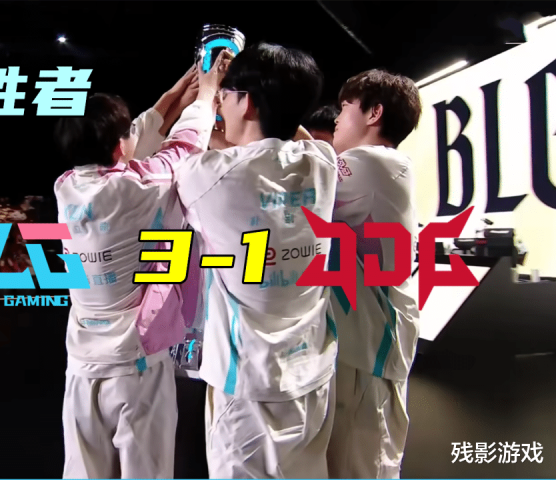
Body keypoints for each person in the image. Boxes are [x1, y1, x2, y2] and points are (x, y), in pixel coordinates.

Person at [54, 53, 231, 480]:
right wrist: (207, 93)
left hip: (82, 365)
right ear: (119, 146)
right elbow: (184, 147)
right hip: (134, 366)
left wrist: (180, 89)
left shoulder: (65, 186)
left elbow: (139, 135)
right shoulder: (139, 186)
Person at [173, 42, 340, 478]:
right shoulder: (322, 161)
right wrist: (269, 91)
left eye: (227, 96)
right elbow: (286, 138)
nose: (220, 105)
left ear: (246, 102)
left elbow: (182, 152)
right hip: (312, 373)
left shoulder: (209, 177)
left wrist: (204, 93)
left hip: (247, 384)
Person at [323, 69, 422, 479]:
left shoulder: (373, 163)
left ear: (374, 113)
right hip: (359, 348)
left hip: (371, 355)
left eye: (345, 106)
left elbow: (297, 183)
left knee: (363, 468)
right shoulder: (377, 166)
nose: (337, 117)